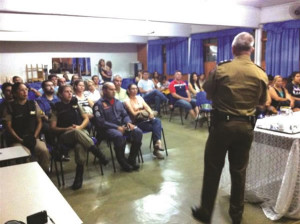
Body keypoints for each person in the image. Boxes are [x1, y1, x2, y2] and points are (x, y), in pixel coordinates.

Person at [192, 32, 268, 224]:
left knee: (212, 169)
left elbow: (208, 94)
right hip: (246, 127)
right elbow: (262, 102)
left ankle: (205, 212)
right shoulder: (260, 73)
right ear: (251, 50)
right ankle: (236, 216)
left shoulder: (221, 70)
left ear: (233, 49)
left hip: (222, 126)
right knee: (239, 171)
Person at [50, 85, 108, 190]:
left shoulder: (75, 104)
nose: (69, 93)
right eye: (66, 92)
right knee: (76, 132)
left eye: (70, 91)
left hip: (80, 132)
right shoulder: (56, 107)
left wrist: (80, 126)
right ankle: (96, 152)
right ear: (60, 94)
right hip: (65, 135)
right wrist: (67, 129)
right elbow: (53, 128)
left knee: (79, 145)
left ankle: (79, 176)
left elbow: (86, 118)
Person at [93, 82, 143, 172]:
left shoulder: (118, 102)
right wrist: (117, 127)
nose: (114, 91)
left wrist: (128, 122)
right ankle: (122, 161)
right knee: (118, 136)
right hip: (107, 129)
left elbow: (124, 115)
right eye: (111, 89)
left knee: (138, 132)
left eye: (114, 89)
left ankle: (131, 158)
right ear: (104, 90)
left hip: (121, 126)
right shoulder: (98, 105)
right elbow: (101, 122)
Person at [3, 82, 50, 173]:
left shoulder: (33, 103)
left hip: (32, 137)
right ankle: (29, 176)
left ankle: (44, 174)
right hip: (17, 139)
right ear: (15, 93)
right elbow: (9, 127)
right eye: (21, 90)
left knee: (44, 151)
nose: (25, 92)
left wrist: (34, 137)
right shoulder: (9, 107)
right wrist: (20, 139)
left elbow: (39, 122)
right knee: (25, 154)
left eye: (26, 90)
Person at [124, 84, 164, 159]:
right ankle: (156, 150)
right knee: (156, 127)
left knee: (157, 121)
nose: (135, 90)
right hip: (136, 123)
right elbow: (134, 114)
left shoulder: (139, 98)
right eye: (132, 89)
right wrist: (143, 111)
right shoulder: (127, 101)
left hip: (145, 120)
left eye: (136, 88)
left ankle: (158, 143)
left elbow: (147, 107)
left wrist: (151, 113)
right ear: (128, 91)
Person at [35, 80, 60, 145]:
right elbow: (41, 113)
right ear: (43, 88)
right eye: (48, 86)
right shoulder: (39, 100)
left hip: (58, 119)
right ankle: (53, 147)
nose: (51, 87)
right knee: (48, 128)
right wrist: (50, 121)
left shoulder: (58, 99)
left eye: (52, 85)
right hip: (46, 120)